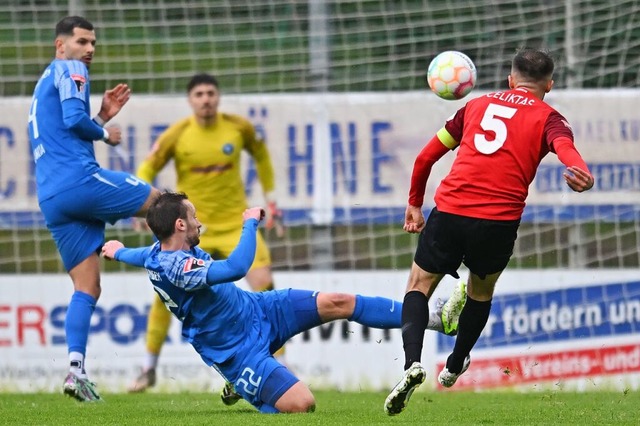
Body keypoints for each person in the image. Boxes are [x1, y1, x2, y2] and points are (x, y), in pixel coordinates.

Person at [101, 191, 465, 413]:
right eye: (193, 217)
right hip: (237, 350)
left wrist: (117, 251)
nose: (199, 223)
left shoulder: (155, 253)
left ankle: (437, 317)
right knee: (302, 405)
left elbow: (140, 256)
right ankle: (243, 386)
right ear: (180, 225)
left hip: (259, 309)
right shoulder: (180, 266)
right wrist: (249, 224)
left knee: (338, 300)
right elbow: (237, 267)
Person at [384, 47, 594, 416]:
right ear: (550, 84)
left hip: (451, 209)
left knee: (418, 285)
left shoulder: (475, 107)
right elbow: (567, 152)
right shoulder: (551, 118)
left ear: (510, 79)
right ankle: (455, 363)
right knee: (480, 293)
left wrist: (415, 204)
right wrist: (582, 173)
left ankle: (411, 364)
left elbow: (424, 158)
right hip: (498, 222)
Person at [27, 16, 161, 402]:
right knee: (166, 204)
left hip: (53, 198)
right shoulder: (69, 69)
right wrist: (106, 132)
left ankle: (75, 372)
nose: (88, 50)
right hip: (79, 183)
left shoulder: (43, 84)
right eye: (82, 41)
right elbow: (75, 122)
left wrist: (100, 116)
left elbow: (66, 131)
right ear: (60, 45)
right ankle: (190, 277)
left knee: (87, 287)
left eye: (93, 44)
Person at [128, 73, 284, 401]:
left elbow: (261, 155)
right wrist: (143, 206)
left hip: (232, 224)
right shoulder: (178, 135)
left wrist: (270, 197)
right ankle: (148, 367)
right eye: (199, 94)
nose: (206, 99)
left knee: (265, 286)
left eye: (211, 93)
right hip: (189, 229)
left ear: (218, 96)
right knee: (165, 294)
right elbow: (146, 168)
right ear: (190, 100)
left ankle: (273, 367)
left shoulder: (238, 127)